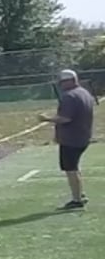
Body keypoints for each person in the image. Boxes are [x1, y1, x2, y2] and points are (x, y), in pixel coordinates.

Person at [39, 69, 94, 210]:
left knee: (70, 169)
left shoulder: (70, 96)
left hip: (72, 139)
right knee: (74, 167)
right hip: (82, 136)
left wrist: (47, 118)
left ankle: (77, 200)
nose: (61, 85)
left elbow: (65, 118)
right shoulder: (84, 92)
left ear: (70, 81)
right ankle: (80, 194)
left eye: (63, 82)